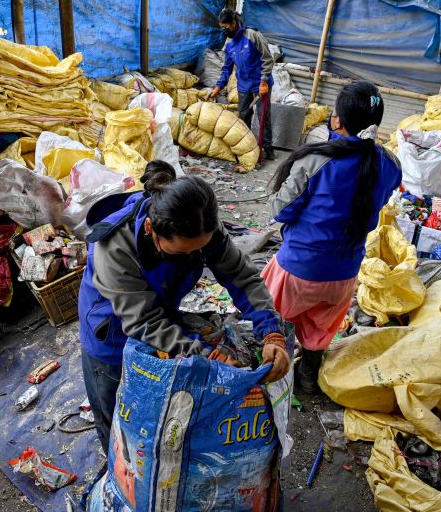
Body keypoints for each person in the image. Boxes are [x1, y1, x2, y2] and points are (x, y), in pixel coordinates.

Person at [78, 160, 290, 455]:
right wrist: (207, 355)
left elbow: (240, 276)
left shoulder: (202, 229)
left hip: (161, 315)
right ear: (151, 229)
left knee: (156, 419)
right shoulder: (114, 246)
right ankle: (119, 476)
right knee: (119, 423)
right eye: (180, 252)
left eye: (198, 251)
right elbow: (145, 322)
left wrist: (271, 331)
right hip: (111, 333)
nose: (192, 257)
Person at [262, 80, 402, 394]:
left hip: (297, 269)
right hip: (343, 277)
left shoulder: (315, 160)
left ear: (337, 120)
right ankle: (308, 378)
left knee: (272, 327)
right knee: (318, 331)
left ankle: (268, 385)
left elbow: (280, 210)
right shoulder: (391, 165)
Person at [209, 8, 275, 162]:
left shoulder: (253, 36)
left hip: (260, 83)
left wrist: (264, 81)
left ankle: (268, 148)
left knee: (263, 116)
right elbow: (227, 68)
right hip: (244, 84)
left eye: (226, 27)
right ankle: (248, 147)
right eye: (222, 28)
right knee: (243, 116)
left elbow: (267, 59)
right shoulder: (230, 44)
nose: (224, 31)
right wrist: (218, 87)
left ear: (234, 23)